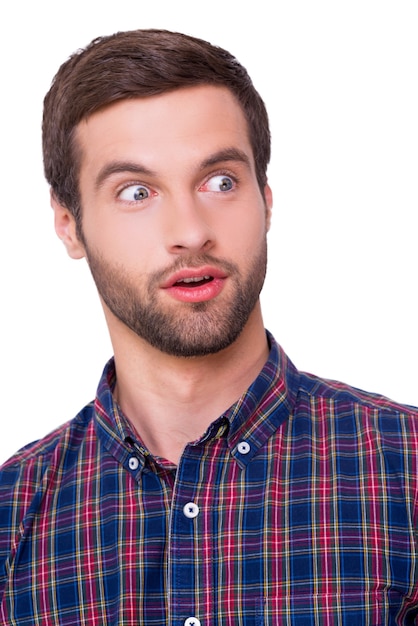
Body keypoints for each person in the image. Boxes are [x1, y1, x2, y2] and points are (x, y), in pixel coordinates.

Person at [0, 28, 417, 626]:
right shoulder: (12, 520)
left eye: (220, 182)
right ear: (69, 224)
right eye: (137, 192)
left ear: (266, 199)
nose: (191, 230)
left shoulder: (407, 471)